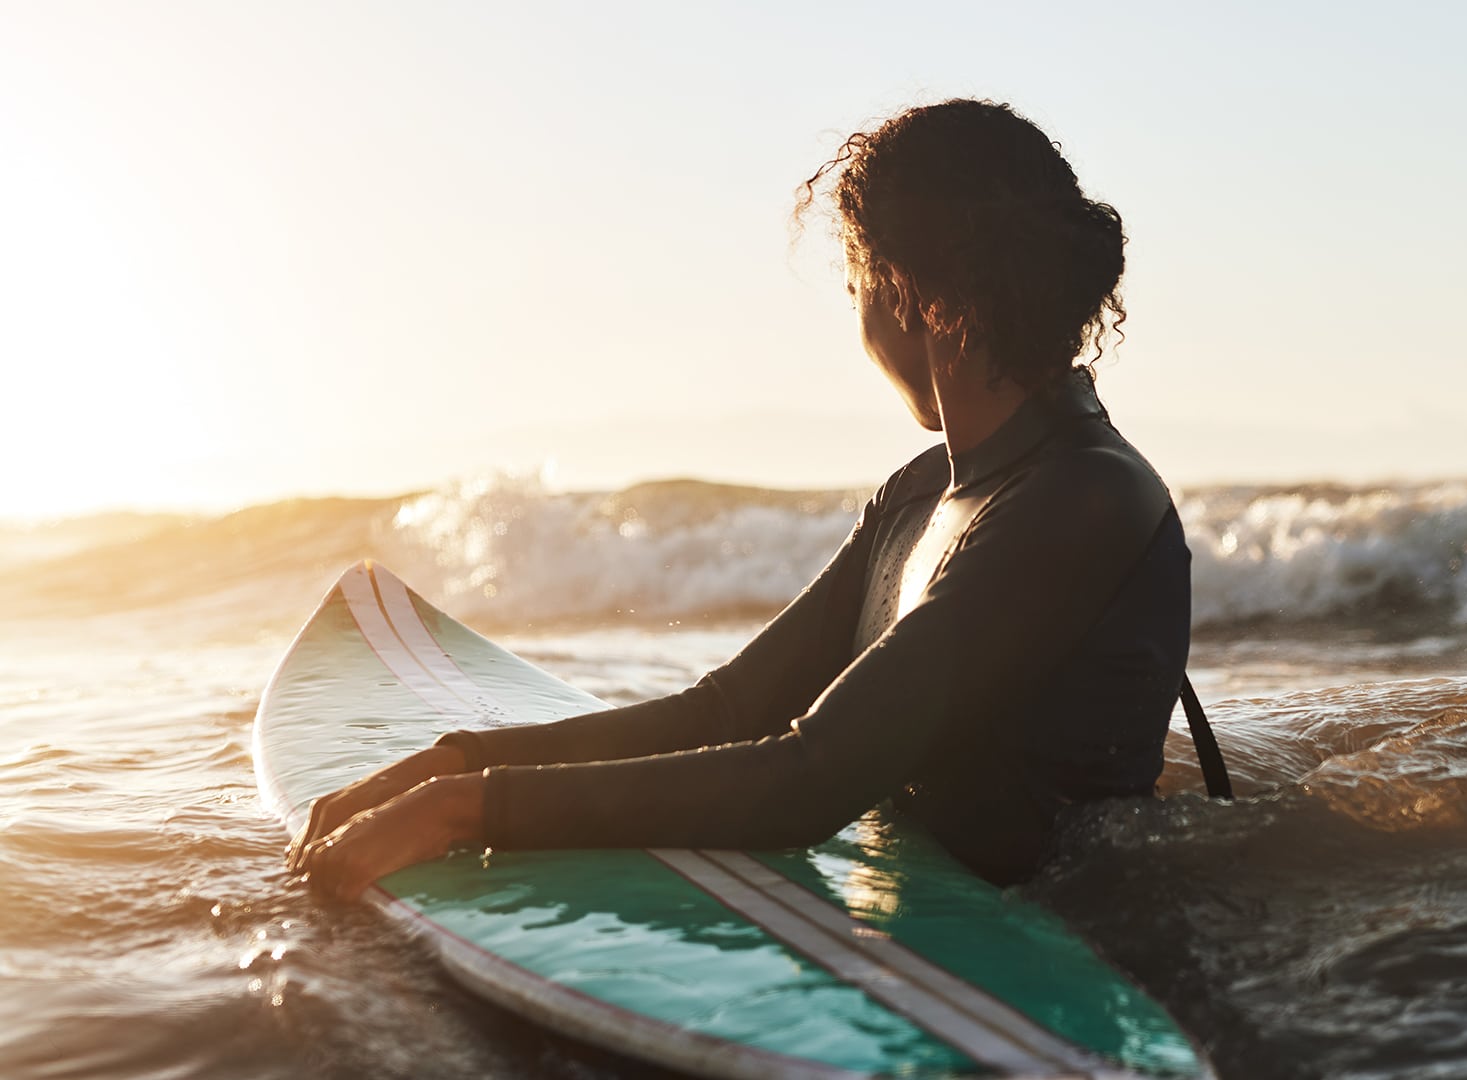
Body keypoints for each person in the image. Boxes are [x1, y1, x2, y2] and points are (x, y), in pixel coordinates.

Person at [292, 98, 1192, 899]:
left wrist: (464, 815)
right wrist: (460, 764)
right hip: (940, 902)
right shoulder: (921, 493)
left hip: (1082, 938)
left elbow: (809, 780)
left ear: (905, 295)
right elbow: (724, 714)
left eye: (855, 289)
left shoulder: (1085, 497)